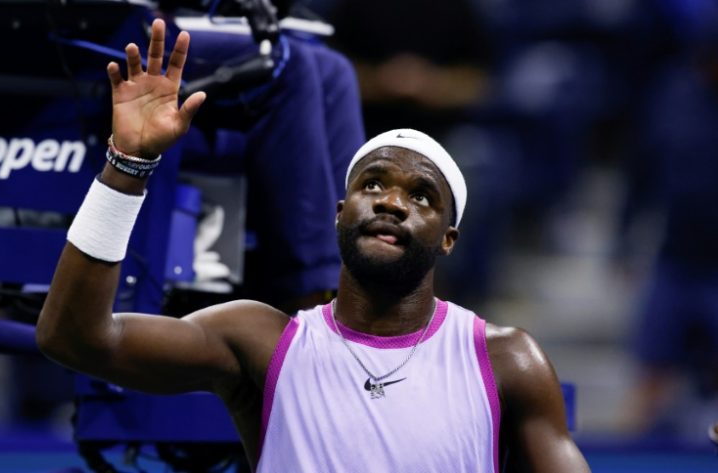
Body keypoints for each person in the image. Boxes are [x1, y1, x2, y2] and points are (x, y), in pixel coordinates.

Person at [36, 19, 590, 472]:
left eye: (421, 195)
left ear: (448, 238)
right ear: (338, 212)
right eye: (371, 184)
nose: (391, 203)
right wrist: (128, 164)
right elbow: (74, 338)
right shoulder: (261, 340)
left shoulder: (506, 359)